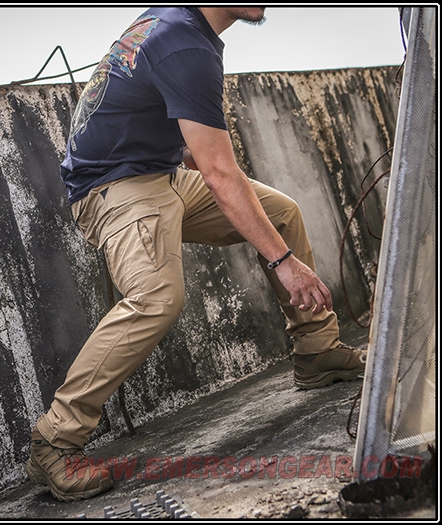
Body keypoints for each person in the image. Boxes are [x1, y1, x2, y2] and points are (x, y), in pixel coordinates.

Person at [25, 6, 367, 502]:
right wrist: (283, 263)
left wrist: (223, 186)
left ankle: (317, 352)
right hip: (115, 187)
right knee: (156, 297)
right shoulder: (185, 43)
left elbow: (182, 136)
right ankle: (56, 440)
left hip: (160, 172)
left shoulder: (178, 24)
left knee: (280, 214)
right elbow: (220, 175)